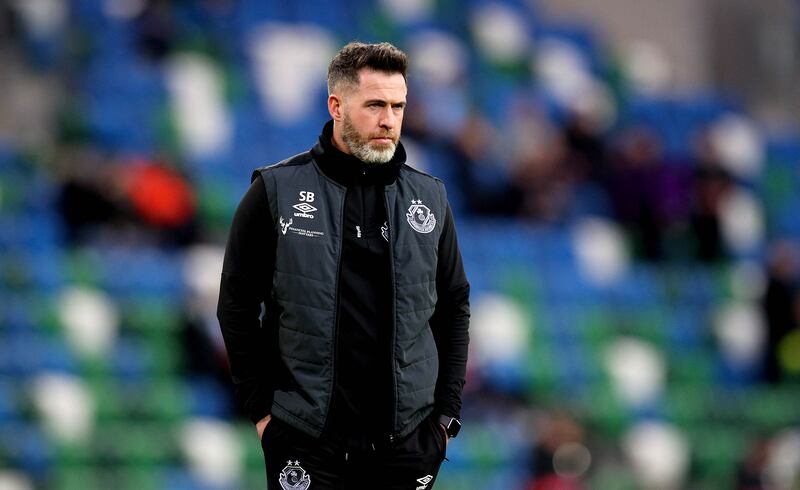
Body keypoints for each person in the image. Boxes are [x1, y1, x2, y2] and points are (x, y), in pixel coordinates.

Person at [217, 41, 470, 489]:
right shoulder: (276, 192)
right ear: (336, 105)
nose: (388, 120)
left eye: (398, 106)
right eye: (374, 105)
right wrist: (262, 414)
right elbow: (236, 307)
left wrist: (445, 420)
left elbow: (453, 308)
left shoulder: (430, 198)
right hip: (307, 441)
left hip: (408, 444)